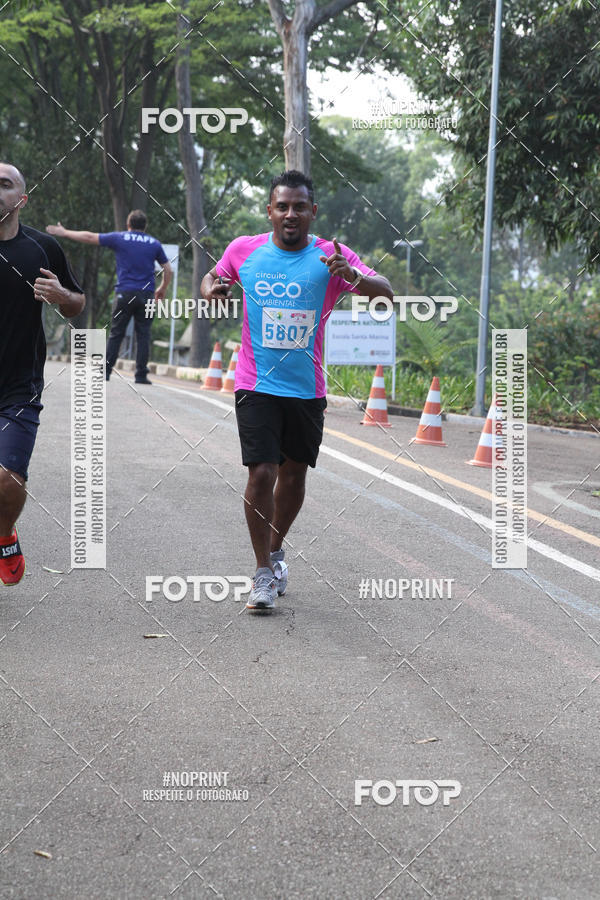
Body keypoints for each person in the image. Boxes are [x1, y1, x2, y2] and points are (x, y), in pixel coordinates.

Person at [201, 169, 393, 611]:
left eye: (299, 207)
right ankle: (263, 572)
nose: (290, 214)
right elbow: (212, 278)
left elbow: (386, 293)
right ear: (270, 211)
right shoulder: (244, 250)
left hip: (306, 389)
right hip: (256, 383)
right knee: (262, 473)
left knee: (293, 476)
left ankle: (275, 546)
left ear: (312, 212)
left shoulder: (332, 256)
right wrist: (214, 289)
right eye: (282, 206)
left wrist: (354, 276)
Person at [0, 162, 85, 585]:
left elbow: (78, 303)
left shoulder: (41, 248)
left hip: (19, 385)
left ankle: (3, 536)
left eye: (5, 185)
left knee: (8, 479)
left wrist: (61, 295)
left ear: (21, 199)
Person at [46, 210, 172, 384]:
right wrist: (162, 288)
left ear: (128, 225)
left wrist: (65, 232)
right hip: (147, 294)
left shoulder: (119, 238)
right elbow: (168, 269)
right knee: (144, 334)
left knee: (116, 333)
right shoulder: (154, 243)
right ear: (145, 226)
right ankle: (141, 375)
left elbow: (90, 237)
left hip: (124, 293)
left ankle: (105, 372)